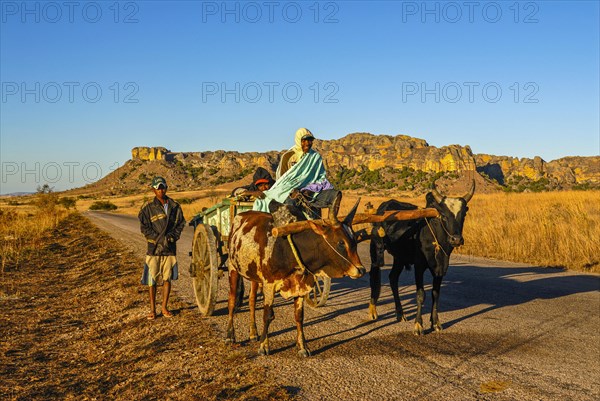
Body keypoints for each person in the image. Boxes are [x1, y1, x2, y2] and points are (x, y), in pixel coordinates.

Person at [253, 128, 339, 217]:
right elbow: (282, 180)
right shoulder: (288, 156)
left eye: (310, 140)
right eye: (304, 140)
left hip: (312, 190)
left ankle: (332, 223)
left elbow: (321, 178)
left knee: (335, 195)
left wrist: (309, 188)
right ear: (298, 140)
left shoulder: (315, 157)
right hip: (289, 190)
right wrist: (295, 189)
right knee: (292, 201)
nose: (307, 143)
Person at [138, 176, 186, 320]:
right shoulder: (147, 208)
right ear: (153, 190)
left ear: (166, 188)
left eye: (163, 187)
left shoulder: (175, 206)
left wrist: (171, 237)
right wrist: (158, 240)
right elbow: (144, 227)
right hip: (154, 249)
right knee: (152, 280)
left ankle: (164, 307)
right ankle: (152, 309)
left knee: (167, 279)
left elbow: (181, 224)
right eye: (158, 188)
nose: (161, 190)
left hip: (170, 248)